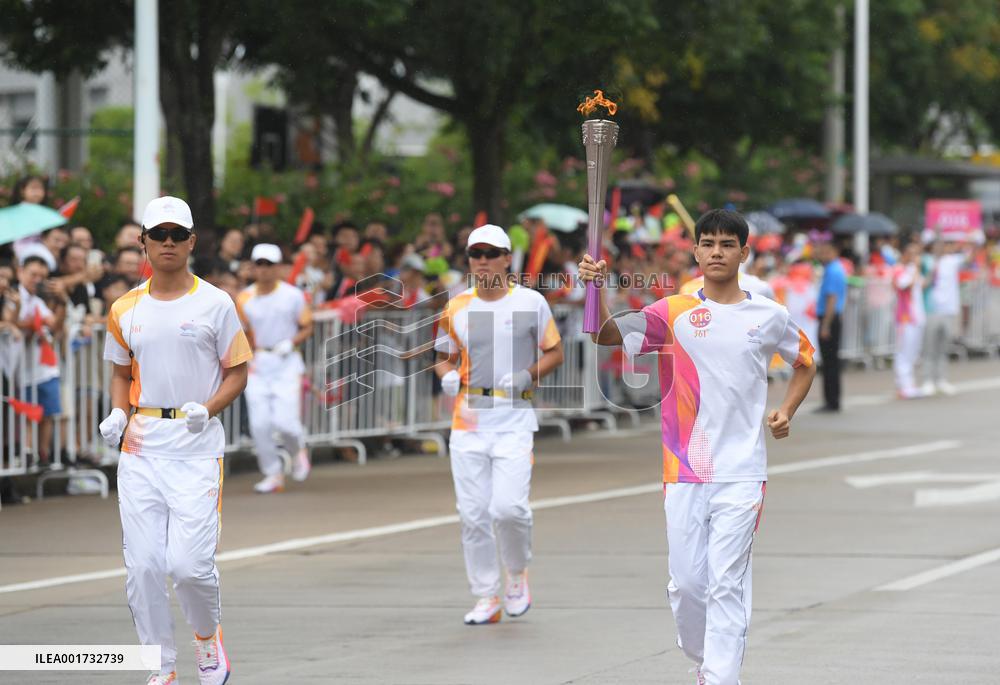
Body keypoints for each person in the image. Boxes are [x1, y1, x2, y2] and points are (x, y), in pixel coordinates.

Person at [579, 209, 816, 685]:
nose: (716, 252)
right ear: (696, 251)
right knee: (689, 585)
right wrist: (593, 288)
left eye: (727, 245)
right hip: (684, 468)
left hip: (742, 471)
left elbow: (805, 362)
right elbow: (606, 335)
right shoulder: (672, 311)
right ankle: (705, 658)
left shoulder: (769, 315)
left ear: (744, 253)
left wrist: (786, 410)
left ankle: (720, 676)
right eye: (707, 243)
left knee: (726, 582)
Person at [98, 196, 251, 685]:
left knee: (188, 566)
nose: (167, 243)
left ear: (191, 242)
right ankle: (160, 666)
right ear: (142, 241)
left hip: (195, 446)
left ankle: (206, 639)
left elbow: (237, 372)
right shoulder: (125, 308)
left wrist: (205, 410)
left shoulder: (215, 302)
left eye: (176, 235)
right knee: (143, 567)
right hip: (142, 447)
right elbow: (122, 373)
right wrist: (119, 413)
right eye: (157, 235)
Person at [434, 224, 564, 625]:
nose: (484, 260)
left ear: (508, 258)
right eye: (477, 254)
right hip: (468, 421)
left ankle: (516, 573)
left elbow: (554, 352)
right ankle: (486, 594)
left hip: (513, 419)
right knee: (473, 514)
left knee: (508, 509)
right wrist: (445, 375)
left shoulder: (529, 302)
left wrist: (527, 374)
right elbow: (443, 355)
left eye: (492, 253)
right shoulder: (457, 306)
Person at [236, 243, 314, 494]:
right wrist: (247, 356)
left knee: (286, 423)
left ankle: (297, 450)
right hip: (258, 363)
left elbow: (307, 326)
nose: (264, 269)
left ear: (279, 267)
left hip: (286, 362)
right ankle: (273, 473)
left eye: (269, 264)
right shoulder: (244, 297)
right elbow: (243, 332)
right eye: (259, 264)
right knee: (260, 425)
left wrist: (290, 342)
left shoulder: (292, 296)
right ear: (253, 267)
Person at [16, 255, 66, 466]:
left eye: (41, 276)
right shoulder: (13, 296)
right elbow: (14, 323)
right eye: (33, 274)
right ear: (20, 272)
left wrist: (62, 302)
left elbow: (54, 325)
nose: (37, 279)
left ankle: (42, 454)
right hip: (21, 369)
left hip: (44, 367)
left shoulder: (38, 301)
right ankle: (27, 452)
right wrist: (28, 325)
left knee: (47, 412)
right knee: (29, 412)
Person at [921, 240, 965, 395]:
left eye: (945, 245)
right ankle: (927, 380)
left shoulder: (952, 261)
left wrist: (972, 237)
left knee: (943, 347)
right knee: (929, 347)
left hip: (949, 310)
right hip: (931, 309)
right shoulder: (926, 260)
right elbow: (922, 281)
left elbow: (969, 258)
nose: (942, 248)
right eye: (938, 245)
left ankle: (941, 379)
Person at [815, 239, 847, 412]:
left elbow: (832, 299)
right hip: (832, 317)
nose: (822, 255)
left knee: (830, 361)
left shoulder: (833, 270)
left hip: (829, 318)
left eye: (826, 251)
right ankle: (831, 399)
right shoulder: (833, 269)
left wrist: (826, 325)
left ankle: (832, 401)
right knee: (830, 361)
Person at [893, 240, 926, 399]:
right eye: (912, 254)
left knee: (913, 352)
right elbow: (904, 286)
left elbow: (923, 285)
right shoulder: (899, 270)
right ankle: (902, 386)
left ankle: (910, 384)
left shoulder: (913, 270)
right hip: (905, 317)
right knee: (904, 352)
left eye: (917, 254)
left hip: (918, 317)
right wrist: (916, 269)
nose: (915, 257)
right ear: (905, 254)